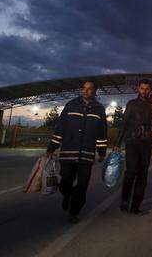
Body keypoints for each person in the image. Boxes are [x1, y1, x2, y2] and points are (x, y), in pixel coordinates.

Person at [46, 80, 108, 223]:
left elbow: (102, 133)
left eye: (90, 89)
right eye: (84, 88)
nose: (86, 91)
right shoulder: (71, 105)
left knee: (82, 185)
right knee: (65, 182)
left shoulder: (99, 109)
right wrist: (51, 148)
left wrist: (102, 152)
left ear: (95, 91)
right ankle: (68, 195)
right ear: (82, 90)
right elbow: (60, 128)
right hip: (68, 152)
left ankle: (74, 212)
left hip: (87, 155)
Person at [114, 79, 152, 215]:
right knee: (131, 171)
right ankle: (125, 199)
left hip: (146, 143)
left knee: (143, 174)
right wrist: (117, 144)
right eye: (142, 88)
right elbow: (124, 124)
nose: (144, 91)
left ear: (150, 90)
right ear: (139, 89)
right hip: (132, 142)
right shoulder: (131, 104)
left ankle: (136, 204)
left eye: (147, 89)